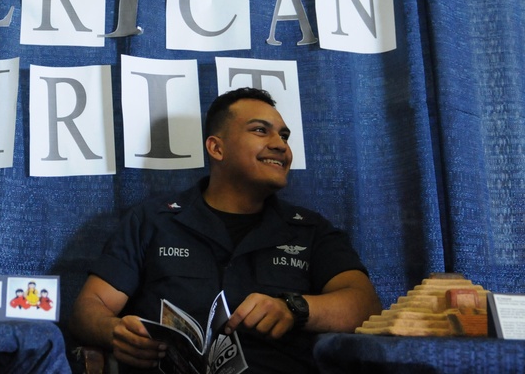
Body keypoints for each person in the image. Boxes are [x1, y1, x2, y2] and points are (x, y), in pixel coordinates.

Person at [69, 87, 381, 373]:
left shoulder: (309, 229)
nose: (280, 145)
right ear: (217, 148)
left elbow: (365, 305)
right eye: (261, 130)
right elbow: (89, 307)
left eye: (284, 136)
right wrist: (114, 332)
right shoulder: (152, 220)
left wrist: (296, 308)